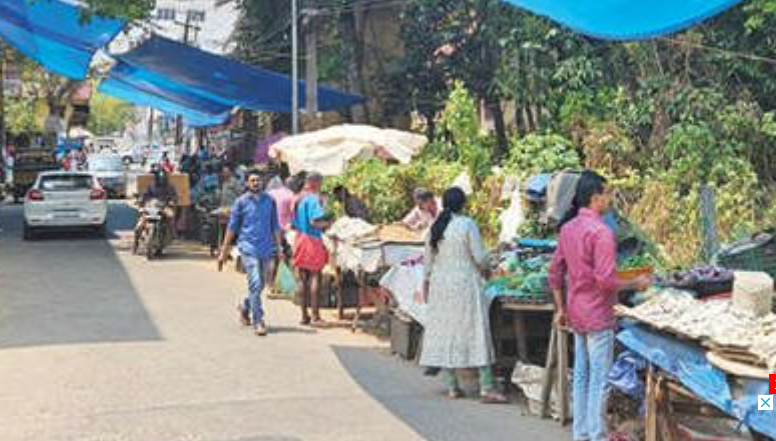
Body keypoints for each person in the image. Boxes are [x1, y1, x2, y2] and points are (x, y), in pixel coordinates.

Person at [548, 170, 651, 441]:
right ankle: (595, 434)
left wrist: (560, 308)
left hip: (576, 312)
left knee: (582, 374)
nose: (610, 198)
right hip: (596, 313)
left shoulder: (568, 229)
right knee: (599, 378)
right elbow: (606, 280)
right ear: (595, 197)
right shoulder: (601, 232)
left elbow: (554, 273)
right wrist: (635, 283)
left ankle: (581, 432)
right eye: (607, 193)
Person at [418, 187, 508, 404]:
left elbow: (428, 263)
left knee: (446, 331)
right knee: (475, 330)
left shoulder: (435, 228)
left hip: (441, 285)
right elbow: (480, 257)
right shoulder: (467, 224)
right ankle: (486, 387)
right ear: (463, 204)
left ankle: (452, 386)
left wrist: (427, 285)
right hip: (465, 284)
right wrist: (491, 263)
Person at [218, 171, 284, 336]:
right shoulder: (241, 202)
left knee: (260, 284)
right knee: (255, 282)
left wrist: (279, 248)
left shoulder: (270, 201)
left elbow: (275, 226)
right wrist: (223, 252)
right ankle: (258, 321)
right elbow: (232, 228)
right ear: (247, 183)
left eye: (258, 180)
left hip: (266, 248)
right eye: (252, 180)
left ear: (263, 182)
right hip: (247, 247)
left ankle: (245, 306)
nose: (256, 183)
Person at [292, 173, 332, 326]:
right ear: (314, 182)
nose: (321, 186)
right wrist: (328, 224)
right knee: (315, 276)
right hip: (312, 239)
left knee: (302, 278)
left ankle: (304, 315)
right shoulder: (313, 199)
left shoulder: (297, 198)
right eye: (320, 182)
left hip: (299, 238)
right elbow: (315, 221)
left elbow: (294, 222)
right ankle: (315, 317)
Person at [134, 170, 179, 251]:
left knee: (171, 216)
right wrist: (141, 200)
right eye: (159, 177)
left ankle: (172, 233)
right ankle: (136, 242)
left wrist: (172, 201)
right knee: (138, 226)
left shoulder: (170, 186)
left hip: (164, 206)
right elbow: (145, 195)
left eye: (163, 177)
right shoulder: (151, 185)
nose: (161, 179)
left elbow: (174, 196)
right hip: (151, 206)